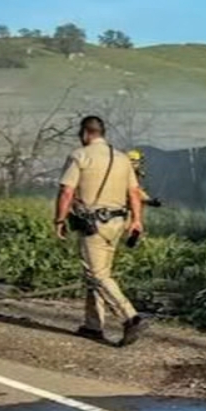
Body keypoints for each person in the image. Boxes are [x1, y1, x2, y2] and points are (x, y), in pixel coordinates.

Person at [55, 116, 148, 346]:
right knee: (97, 273)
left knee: (97, 275)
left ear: (86, 133)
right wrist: (137, 220)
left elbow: (67, 192)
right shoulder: (122, 158)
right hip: (118, 223)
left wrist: (59, 219)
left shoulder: (80, 155)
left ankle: (130, 317)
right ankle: (92, 325)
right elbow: (134, 192)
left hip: (93, 224)